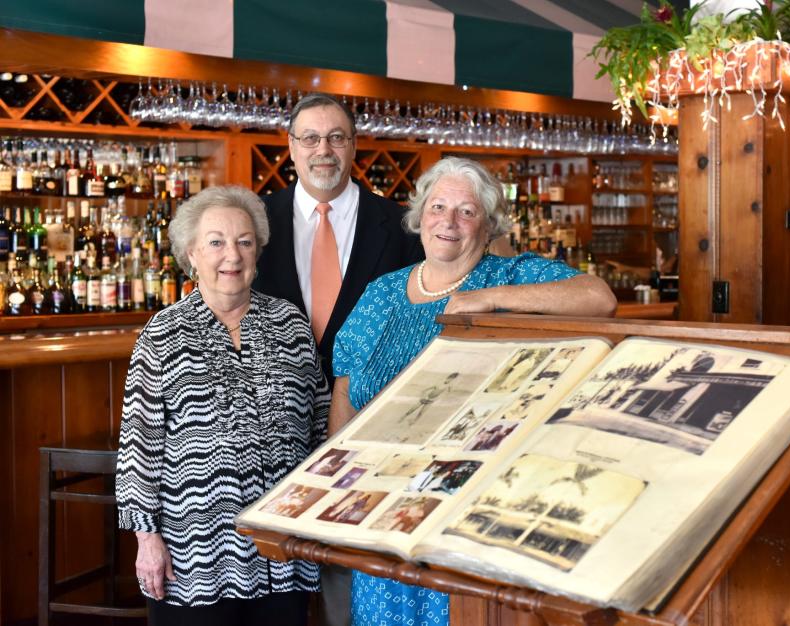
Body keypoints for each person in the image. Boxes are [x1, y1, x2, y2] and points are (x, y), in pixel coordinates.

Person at [331, 156, 617, 626]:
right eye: (438, 206)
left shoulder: (508, 275)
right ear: (419, 216)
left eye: (466, 212)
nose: (448, 221)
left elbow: (599, 298)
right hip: (381, 504)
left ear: (487, 226)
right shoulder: (381, 292)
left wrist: (489, 299)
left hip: (466, 507)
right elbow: (345, 388)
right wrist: (338, 486)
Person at [115, 185, 330, 626]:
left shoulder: (290, 323)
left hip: (281, 553)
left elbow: (320, 424)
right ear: (191, 253)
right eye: (216, 242)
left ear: (258, 251)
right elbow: (139, 450)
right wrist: (146, 540)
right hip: (195, 560)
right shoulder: (162, 335)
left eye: (244, 242)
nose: (231, 255)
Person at [253, 92, 424, 386]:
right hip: (275, 411)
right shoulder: (252, 221)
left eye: (336, 137)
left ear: (354, 146)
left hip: (368, 404)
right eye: (310, 138)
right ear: (292, 147)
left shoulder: (404, 226)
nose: (324, 150)